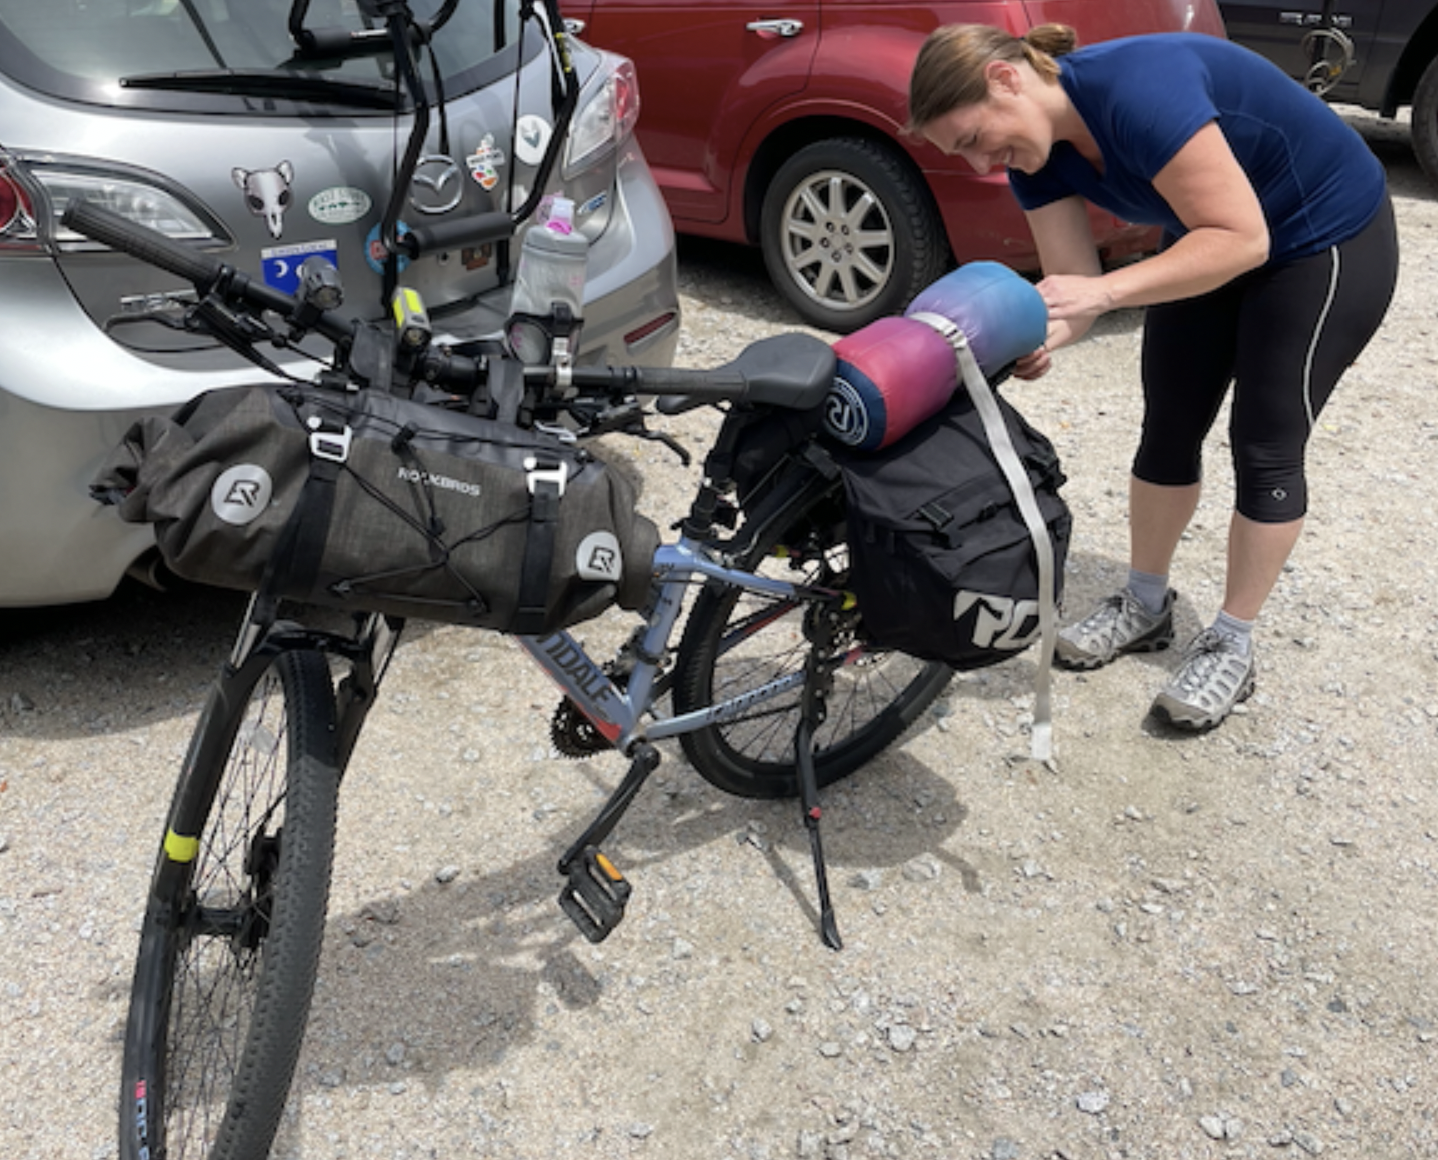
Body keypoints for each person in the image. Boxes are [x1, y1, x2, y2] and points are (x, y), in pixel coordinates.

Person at [907, 24, 1399, 731]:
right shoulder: (1034, 157)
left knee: (1264, 441)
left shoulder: (1136, 91)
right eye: (965, 154)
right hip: (1211, 236)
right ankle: (1144, 602)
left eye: (974, 138)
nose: (984, 161)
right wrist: (1038, 337)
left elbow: (1243, 240)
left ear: (1004, 78)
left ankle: (1233, 640)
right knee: (1167, 424)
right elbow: (1075, 285)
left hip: (1320, 236)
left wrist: (1103, 295)